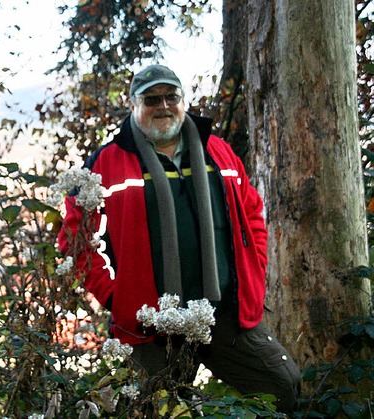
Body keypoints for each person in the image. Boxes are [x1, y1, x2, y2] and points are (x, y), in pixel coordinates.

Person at [58, 64, 301, 412]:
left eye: (171, 96)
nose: (163, 105)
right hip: (152, 325)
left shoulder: (218, 151)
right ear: (133, 105)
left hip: (223, 313)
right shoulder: (105, 163)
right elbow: (75, 242)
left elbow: (252, 216)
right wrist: (118, 298)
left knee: (283, 387)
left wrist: (253, 275)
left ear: (183, 101)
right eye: (152, 99)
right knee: (157, 410)